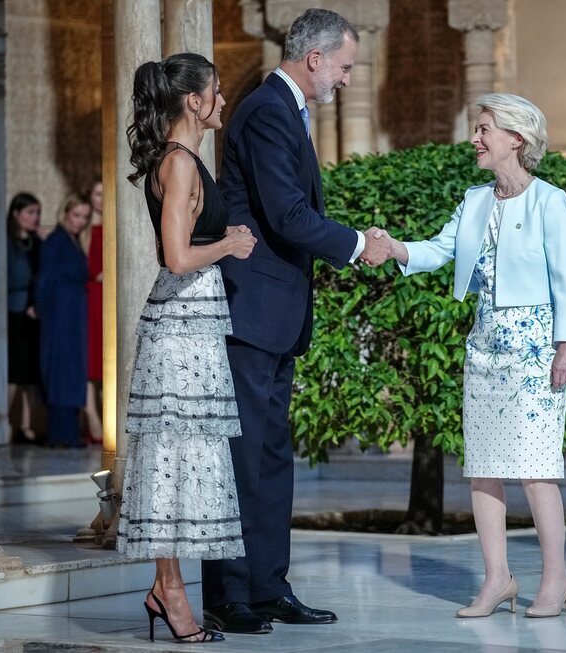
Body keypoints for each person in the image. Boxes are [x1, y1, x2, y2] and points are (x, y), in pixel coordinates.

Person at [201, 8, 392, 635]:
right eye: (344, 67)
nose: (345, 79)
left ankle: (267, 584)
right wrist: (359, 244)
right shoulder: (265, 110)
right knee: (242, 454)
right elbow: (284, 213)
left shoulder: (285, 111)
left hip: (275, 311)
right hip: (252, 307)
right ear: (315, 59)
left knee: (272, 453)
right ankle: (228, 593)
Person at [372, 93, 566, 619]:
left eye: (485, 128)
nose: (476, 139)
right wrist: (395, 247)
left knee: (536, 468)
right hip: (485, 346)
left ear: (517, 137)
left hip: (536, 345)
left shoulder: (549, 200)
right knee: (483, 466)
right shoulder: (474, 200)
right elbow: (439, 249)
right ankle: (498, 579)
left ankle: (555, 579)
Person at [116, 52, 257, 644]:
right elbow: (174, 257)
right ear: (194, 102)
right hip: (179, 331)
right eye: (217, 93)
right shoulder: (178, 163)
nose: (223, 101)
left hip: (194, 326)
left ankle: (165, 588)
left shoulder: (185, 160)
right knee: (171, 460)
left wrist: (222, 241)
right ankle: (170, 593)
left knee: (179, 463)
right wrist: (229, 244)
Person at [36, 194, 92, 448]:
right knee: (61, 370)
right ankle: (60, 434)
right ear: (65, 213)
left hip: (72, 315)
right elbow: (44, 279)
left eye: (84, 217)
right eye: (76, 215)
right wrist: (41, 309)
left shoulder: (72, 241)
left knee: (71, 370)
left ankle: (69, 433)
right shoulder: (56, 241)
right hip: (59, 316)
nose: (80, 221)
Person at [7, 192, 44, 444]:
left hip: (31, 313)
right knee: (14, 374)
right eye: (30, 212)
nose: (35, 218)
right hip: (11, 314)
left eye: (37, 213)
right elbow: (13, 276)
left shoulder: (36, 243)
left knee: (28, 375)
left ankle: (26, 426)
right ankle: (2, 424)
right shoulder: (6, 242)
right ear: (16, 214)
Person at [82, 177, 104, 444]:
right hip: (91, 297)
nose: (101, 199)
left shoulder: (115, 226)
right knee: (90, 359)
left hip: (108, 297)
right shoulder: (86, 229)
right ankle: (91, 417)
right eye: (97, 193)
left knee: (105, 358)